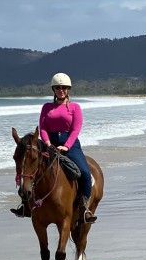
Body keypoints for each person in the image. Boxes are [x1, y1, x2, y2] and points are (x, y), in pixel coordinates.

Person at [11, 72, 97, 223]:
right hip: (49, 142)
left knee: (84, 172)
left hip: (70, 144)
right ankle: (25, 205)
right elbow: (42, 127)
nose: (61, 90)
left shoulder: (75, 107)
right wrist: (48, 143)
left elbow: (76, 129)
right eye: (58, 87)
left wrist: (66, 146)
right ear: (54, 89)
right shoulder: (47, 107)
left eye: (64, 87)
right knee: (29, 168)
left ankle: (85, 208)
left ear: (68, 89)